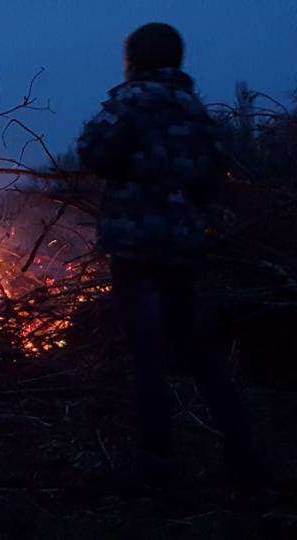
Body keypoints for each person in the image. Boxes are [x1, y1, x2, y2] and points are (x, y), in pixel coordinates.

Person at [78, 23, 262, 487]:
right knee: (202, 351)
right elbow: (212, 176)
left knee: (145, 355)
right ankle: (244, 455)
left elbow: (94, 151)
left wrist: (133, 171)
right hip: (183, 247)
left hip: (136, 248)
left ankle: (157, 463)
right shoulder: (193, 108)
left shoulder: (132, 99)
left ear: (134, 58)